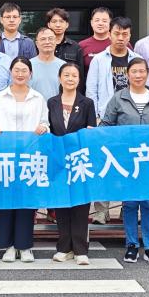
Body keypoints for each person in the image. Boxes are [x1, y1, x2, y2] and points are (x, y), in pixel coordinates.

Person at [100, 58, 149, 266]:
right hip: (126, 160)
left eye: (142, 71)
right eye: (134, 72)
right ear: (127, 75)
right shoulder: (118, 98)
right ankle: (131, 244)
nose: (138, 75)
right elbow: (106, 125)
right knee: (130, 203)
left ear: (147, 74)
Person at [0, 57, 49, 263]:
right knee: (6, 203)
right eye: (16, 70)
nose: (20, 74)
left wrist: (43, 128)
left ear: (30, 74)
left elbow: (45, 123)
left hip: (29, 157)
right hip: (5, 157)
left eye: (24, 70)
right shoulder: (0, 97)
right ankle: (7, 246)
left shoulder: (38, 98)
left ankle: (24, 246)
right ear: (11, 72)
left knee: (26, 203)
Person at [85, 16, 138, 224]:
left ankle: (128, 208)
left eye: (125, 34)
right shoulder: (99, 59)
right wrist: (96, 118)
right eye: (117, 33)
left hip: (131, 120)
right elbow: (91, 91)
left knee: (129, 163)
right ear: (110, 34)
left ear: (130, 35)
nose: (121, 38)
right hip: (105, 120)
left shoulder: (137, 59)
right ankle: (101, 210)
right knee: (102, 164)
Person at [47, 62, 95, 266]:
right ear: (60, 78)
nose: (70, 79)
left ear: (79, 79)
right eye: (66, 75)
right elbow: (49, 130)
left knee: (80, 205)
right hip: (58, 161)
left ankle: (81, 249)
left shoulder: (87, 103)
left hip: (79, 161)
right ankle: (64, 247)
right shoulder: (51, 102)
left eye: (74, 75)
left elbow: (91, 130)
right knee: (62, 204)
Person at [79, 7, 131, 72]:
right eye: (97, 20)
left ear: (110, 23)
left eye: (104, 21)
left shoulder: (122, 43)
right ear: (91, 22)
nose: (100, 23)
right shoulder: (82, 45)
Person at [29, 26, 62, 100]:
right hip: (33, 106)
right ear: (37, 43)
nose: (47, 42)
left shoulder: (63, 66)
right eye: (43, 39)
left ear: (56, 41)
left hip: (57, 107)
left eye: (50, 38)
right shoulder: (27, 66)